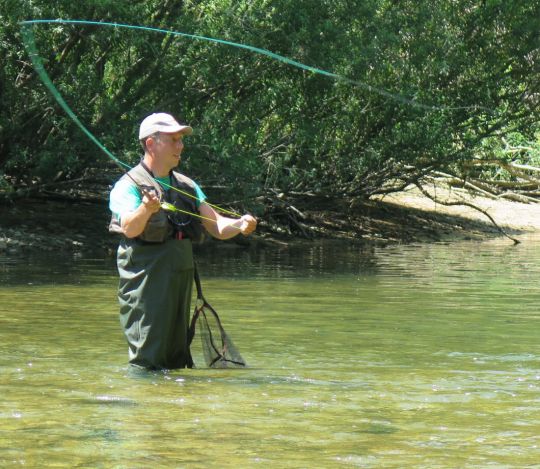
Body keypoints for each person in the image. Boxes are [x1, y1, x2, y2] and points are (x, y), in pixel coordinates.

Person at [109, 112, 257, 370]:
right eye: (174, 139)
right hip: (146, 279)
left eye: (181, 139)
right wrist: (146, 209)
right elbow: (130, 229)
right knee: (149, 355)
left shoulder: (187, 186)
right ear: (151, 143)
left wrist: (241, 224)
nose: (181, 145)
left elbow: (218, 227)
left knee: (176, 356)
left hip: (180, 275)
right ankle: (143, 404)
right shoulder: (128, 186)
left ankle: (174, 407)